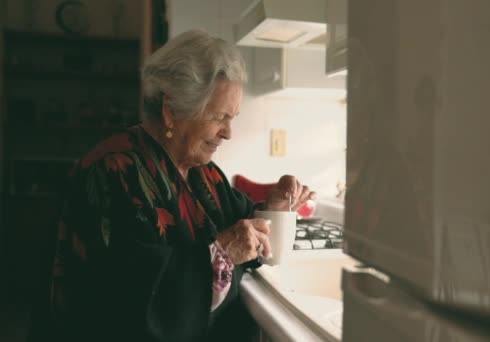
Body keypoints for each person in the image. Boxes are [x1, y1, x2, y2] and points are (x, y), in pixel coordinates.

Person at [48, 29, 315, 341]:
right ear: (171, 110)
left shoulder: (204, 172)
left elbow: (244, 221)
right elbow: (128, 303)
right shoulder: (112, 171)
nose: (228, 132)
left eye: (233, 117)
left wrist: (273, 208)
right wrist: (222, 252)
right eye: (219, 117)